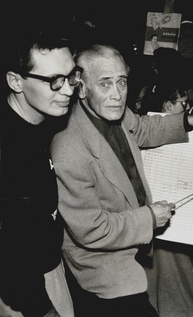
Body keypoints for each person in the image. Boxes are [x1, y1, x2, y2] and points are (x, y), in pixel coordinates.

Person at [50, 44, 193, 317]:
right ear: (82, 89)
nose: (117, 95)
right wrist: (148, 218)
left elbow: (142, 129)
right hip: (103, 262)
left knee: (189, 296)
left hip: (137, 235)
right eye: (105, 84)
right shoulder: (69, 150)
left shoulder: (114, 113)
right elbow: (92, 230)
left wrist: (188, 121)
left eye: (122, 82)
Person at [0, 24, 78, 317]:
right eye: (55, 80)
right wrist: (43, 311)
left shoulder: (35, 120)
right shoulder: (9, 151)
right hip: (25, 291)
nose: (69, 89)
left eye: (72, 76)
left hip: (44, 271)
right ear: (16, 81)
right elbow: (10, 257)